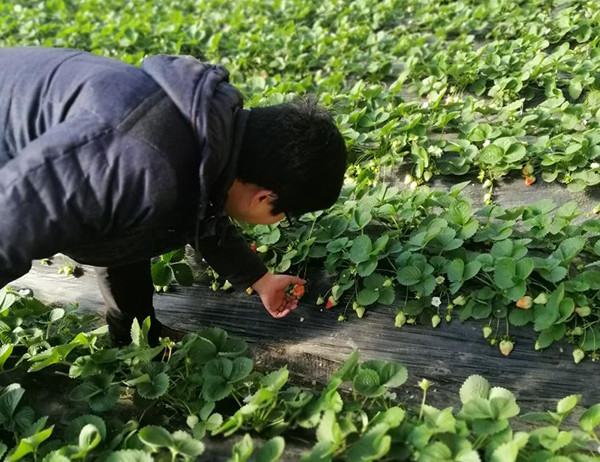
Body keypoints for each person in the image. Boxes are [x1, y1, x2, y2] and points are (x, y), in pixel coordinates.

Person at [0, 47, 348, 345]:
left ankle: (136, 335)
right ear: (264, 198)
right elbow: (8, 225)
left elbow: (203, 217)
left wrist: (261, 280)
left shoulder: (207, 132)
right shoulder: (139, 164)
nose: (278, 223)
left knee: (139, 225)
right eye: (283, 216)